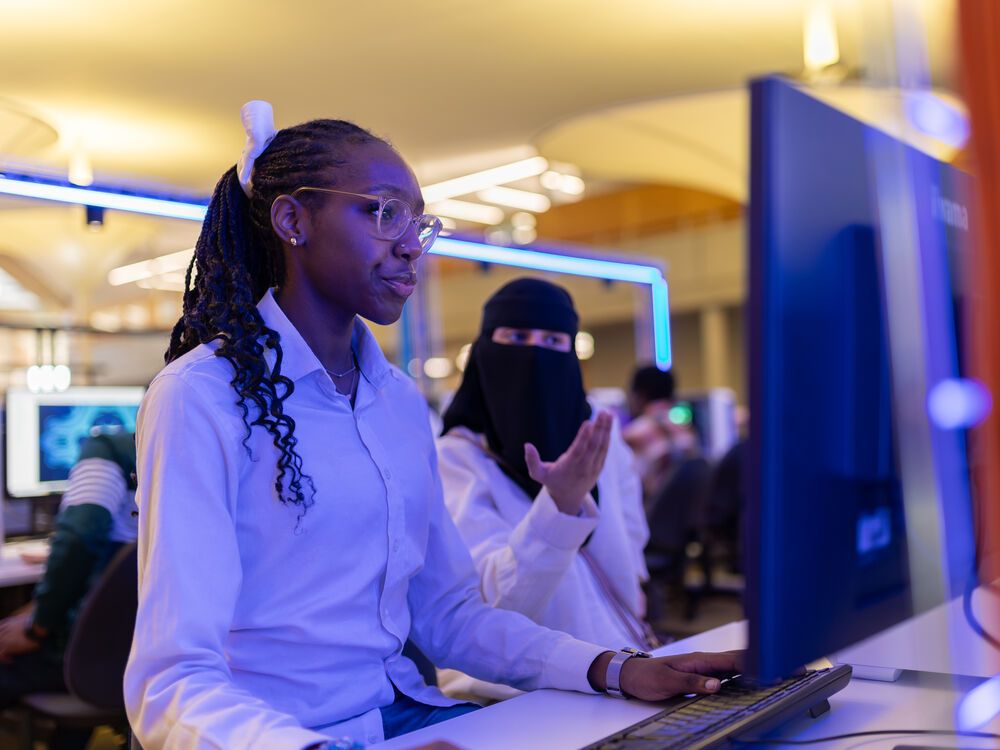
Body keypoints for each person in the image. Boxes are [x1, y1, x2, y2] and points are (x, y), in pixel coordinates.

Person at [123, 101, 740, 750]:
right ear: (292, 220)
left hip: (403, 715)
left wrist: (614, 668)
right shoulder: (201, 398)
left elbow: (450, 616)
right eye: (381, 211)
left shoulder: (396, 401)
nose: (411, 245)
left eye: (419, 223)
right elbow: (172, 683)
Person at [435, 278, 656, 702]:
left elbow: (633, 553)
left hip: (627, 671)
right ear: (485, 349)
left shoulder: (601, 446)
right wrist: (558, 507)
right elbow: (489, 617)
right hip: (511, 696)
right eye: (516, 337)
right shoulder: (456, 461)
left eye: (553, 340)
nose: (534, 354)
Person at [0, 428, 136, 747]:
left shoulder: (110, 448)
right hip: (138, 654)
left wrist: (37, 629)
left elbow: (79, 537)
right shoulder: (184, 459)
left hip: (85, 655)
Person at [622, 365, 699, 500]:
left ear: (640, 395)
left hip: (648, 518)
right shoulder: (688, 433)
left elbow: (625, 490)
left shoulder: (633, 436)